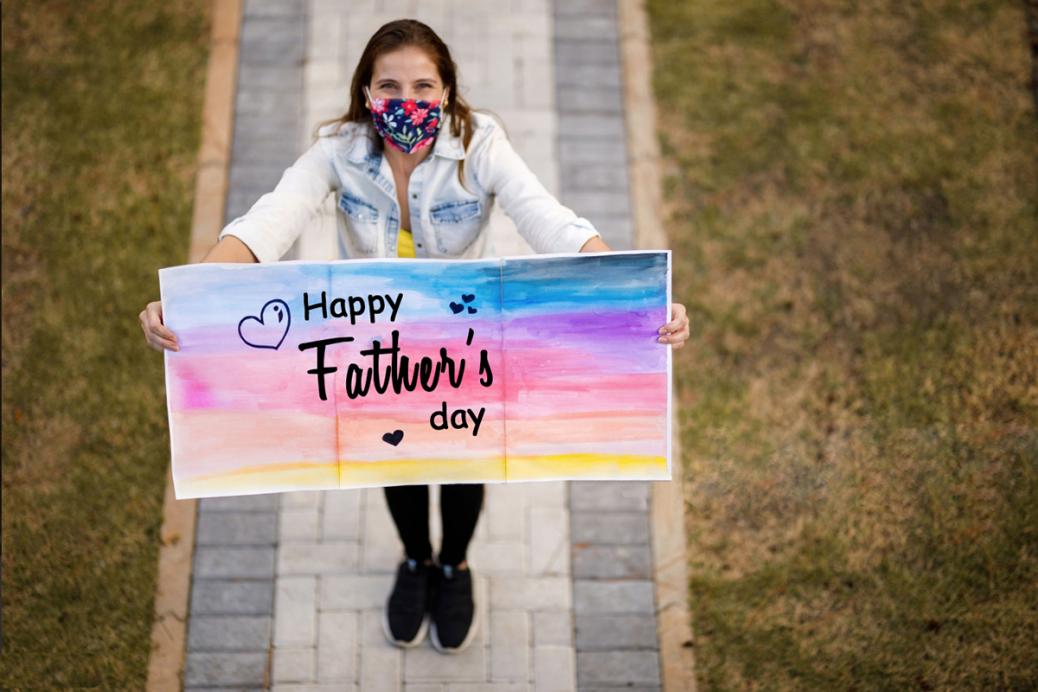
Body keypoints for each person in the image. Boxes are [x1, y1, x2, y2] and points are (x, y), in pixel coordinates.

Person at [139, 18, 690, 655]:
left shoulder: (480, 145)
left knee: (464, 462)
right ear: (367, 93)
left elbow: (549, 220)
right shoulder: (337, 150)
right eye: (390, 86)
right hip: (373, 339)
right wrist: (193, 297)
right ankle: (415, 559)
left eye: (424, 86)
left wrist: (633, 292)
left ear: (449, 91)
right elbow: (268, 223)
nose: (408, 101)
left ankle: (453, 566)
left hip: (463, 342)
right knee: (393, 458)